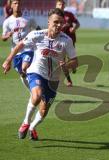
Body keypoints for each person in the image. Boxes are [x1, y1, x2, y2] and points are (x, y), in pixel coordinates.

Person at [2, 8, 78, 140]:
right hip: (36, 71)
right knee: (36, 96)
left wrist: (66, 65)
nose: (59, 25)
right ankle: (26, 122)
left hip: (53, 80)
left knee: (43, 111)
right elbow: (20, 45)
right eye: (56, 22)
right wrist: (8, 60)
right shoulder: (37, 35)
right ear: (48, 22)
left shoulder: (66, 40)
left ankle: (32, 127)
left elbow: (75, 62)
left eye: (61, 22)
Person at [1, 0, 37, 86]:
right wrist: (7, 36)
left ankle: (37, 85)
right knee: (22, 74)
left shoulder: (29, 18)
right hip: (16, 52)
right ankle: (33, 92)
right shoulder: (7, 21)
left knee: (24, 67)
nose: (17, 5)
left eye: (19, 3)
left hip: (28, 49)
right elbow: (3, 37)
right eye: (15, 3)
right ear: (11, 6)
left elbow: (38, 29)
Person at [56, 0, 80, 87]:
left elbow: (77, 23)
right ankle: (69, 81)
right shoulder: (54, 16)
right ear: (56, 5)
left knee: (73, 61)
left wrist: (74, 28)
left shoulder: (69, 14)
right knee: (62, 62)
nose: (61, 6)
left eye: (62, 4)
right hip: (59, 42)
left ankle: (73, 66)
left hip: (70, 40)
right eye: (59, 4)